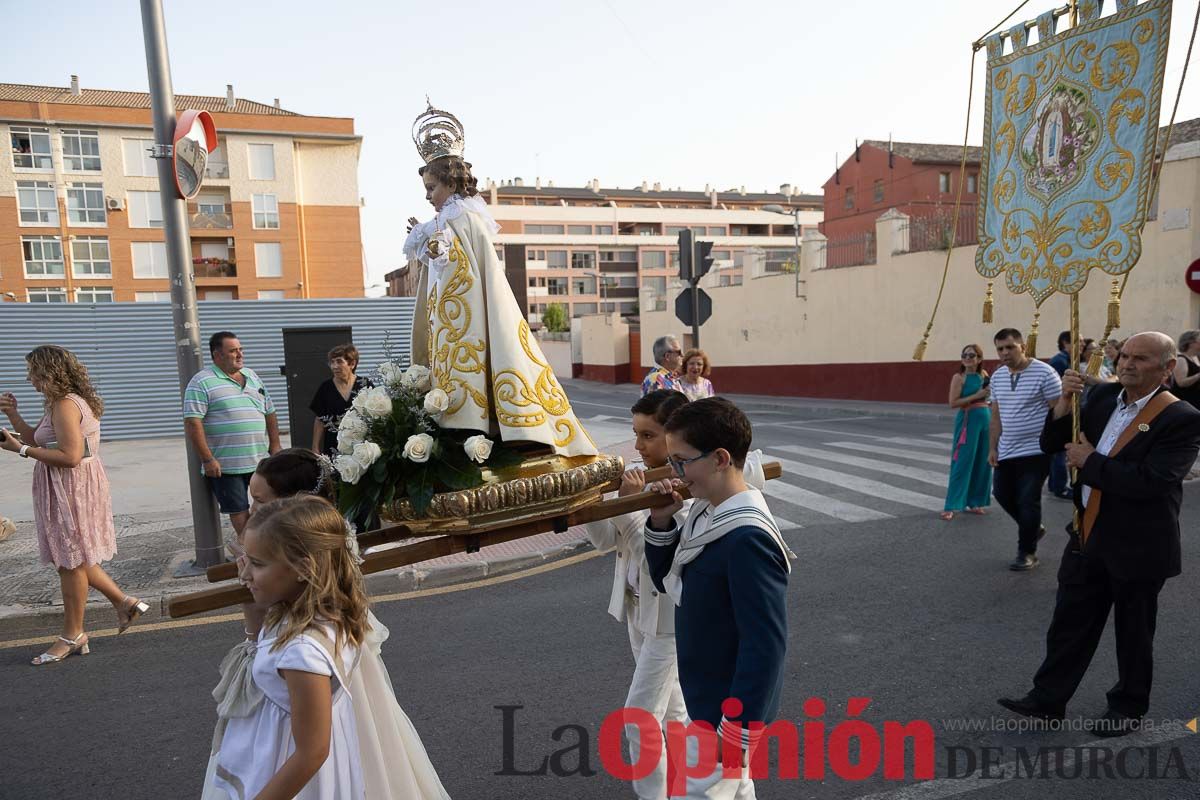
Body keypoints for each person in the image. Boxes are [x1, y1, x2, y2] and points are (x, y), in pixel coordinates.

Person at [998, 333, 1200, 737]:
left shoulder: (1181, 417)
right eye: (1124, 355)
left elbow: (1153, 481)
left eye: (1140, 359)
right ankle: (1048, 699)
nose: (1127, 363)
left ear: (1165, 369)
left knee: (1133, 631)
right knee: (1069, 622)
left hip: (1139, 542)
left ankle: (1127, 706)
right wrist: (1063, 404)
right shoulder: (1104, 397)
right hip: (1088, 531)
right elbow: (1052, 443)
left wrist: (1091, 462)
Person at [209, 495, 451, 799]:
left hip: (288, 783)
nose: (244, 574)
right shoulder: (315, 614)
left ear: (303, 568)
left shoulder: (301, 651)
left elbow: (312, 751)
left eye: (256, 564)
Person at [403, 102, 595, 457]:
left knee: (481, 358)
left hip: (469, 317)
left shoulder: (464, 217)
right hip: (451, 317)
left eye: (431, 187)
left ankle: (482, 421)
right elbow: (443, 258)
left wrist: (433, 245)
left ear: (449, 180)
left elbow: (462, 266)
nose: (428, 195)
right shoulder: (447, 220)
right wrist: (429, 242)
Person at [644, 397, 790, 798]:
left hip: (724, 713)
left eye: (681, 461)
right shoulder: (706, 512)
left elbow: (766, 644)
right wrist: (660, 521)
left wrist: (739, 731)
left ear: (721, 458)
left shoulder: (747, 537)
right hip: (706, 700)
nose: (675, 473)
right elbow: (671, 583)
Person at [0, 347, 149, 665]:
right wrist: (13, 419)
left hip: (71, 490)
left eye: (32, 372)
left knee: (70, 562)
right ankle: (125, 603)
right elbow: (41, 440)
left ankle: (73, 634)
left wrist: (21, 451)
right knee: (75, 556)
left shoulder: (66, 404)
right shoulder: (61, 401)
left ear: (48, 372)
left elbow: (69, 457)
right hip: (70, 487)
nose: (28, 379)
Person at [583, 389, 690, 800]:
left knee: (639, 719)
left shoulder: (686, 485)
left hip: (668, 619)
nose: (638, 446)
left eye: (648, 435)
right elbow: (602, 541)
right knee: (675, 713)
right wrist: (601, 500)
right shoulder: (640, 477)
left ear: (675, 434)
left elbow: (659, 558)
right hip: (636, 611)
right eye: (636, 434)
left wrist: (627, 506)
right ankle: (691, 788)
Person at [184, 331, 282, 540]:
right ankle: (251, 551)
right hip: (226, 465)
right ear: (217, 356)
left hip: (260, 460)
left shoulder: (252, 376)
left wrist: (275, 445)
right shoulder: (201, 382)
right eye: (233, 351)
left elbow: (270, 411)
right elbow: (193, 422)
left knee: (269, 504)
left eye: (240, 350)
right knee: (238, 510)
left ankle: (264, 547)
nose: (239, 354)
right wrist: (207, 459)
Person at [989, 328, 1063, 571]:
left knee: (1028, 500)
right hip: (1007, 449)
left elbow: (1058, 411)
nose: (1005, 352)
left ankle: (1027, 552)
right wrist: (993, 448)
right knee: (1000, 493)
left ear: (1023, 346)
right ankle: (1033, 528)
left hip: (1036, 450)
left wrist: (1057, 443)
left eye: (1010, 347)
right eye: (1000, 348)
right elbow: (996, 416)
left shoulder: (1045, 373)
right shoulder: (998, 377)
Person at [941, 344, 992, 521]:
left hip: (986, 418)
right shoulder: (959, 377)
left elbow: (988, 397)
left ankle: (976, 501)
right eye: (964, 355)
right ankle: (952, 505)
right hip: (967, 420)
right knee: (962, 461)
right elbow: (953, 403)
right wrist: (977, 395)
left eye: (972, 355)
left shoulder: (983, 375)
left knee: (982, 462)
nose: (967, 358)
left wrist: (988, 396)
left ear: (979, 358)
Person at [308, 344, 371, 458]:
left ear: (352, 364)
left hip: (360, 445)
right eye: (332, 362)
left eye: (339, 361)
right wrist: (315, 447)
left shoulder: (365, 385)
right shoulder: (325, 388)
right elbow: (320, 419)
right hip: (334, 447)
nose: (334, 366)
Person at [1045, 330, 1073, 500]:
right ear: (1065, 342)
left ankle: (1054, 484)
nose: (1082, 344)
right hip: (1060, 410)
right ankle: (1060, 486)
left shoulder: (1065, 359)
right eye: (1078, 340)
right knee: (1059, 452)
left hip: (1062, 409)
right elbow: (1056, 392)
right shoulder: (1059, 361)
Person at [1170, 329, 1200, 411]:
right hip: (1186, 401)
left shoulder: (1195, 357)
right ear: (1191, 343)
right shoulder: (1181, 359)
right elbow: (1181, 382)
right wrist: (1198, 376)